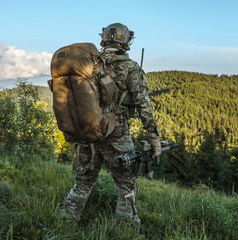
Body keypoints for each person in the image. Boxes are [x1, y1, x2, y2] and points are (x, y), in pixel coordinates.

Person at [60, 23, 161, 227]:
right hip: (116, 133)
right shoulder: (130, 67)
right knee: (126, 186)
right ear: (125, 40)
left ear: (103, 39)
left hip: (88, 131)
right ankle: (126, 230)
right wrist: (153, 137)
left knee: (83, 183)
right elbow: (143, 103)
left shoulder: (89, 65)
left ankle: (64, 224)